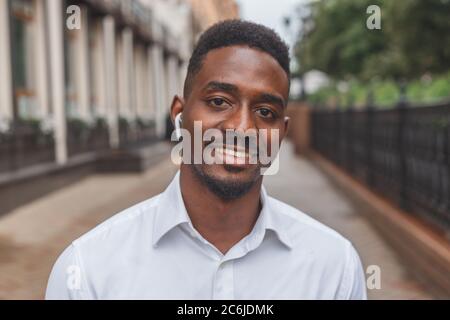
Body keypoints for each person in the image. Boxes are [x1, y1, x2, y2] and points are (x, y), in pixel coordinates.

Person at [46, 19, 367, 300]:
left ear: (281, 134)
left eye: (265, 112)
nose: (241, 128)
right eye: (218, 101)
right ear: (179, 114)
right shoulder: (87, 271)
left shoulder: (335, 269)